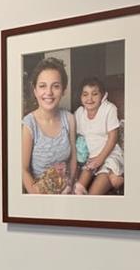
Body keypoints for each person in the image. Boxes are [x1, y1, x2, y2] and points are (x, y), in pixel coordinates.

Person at [21, 57, 77, 194]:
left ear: (63, 90)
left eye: (56, 86)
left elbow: (73, 159)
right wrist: (38, 199)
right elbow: (23, 169)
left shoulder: (69, 119)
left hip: (66, 192)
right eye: (42, 86)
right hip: (41, 195)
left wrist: (70, 188)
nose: (49, 92)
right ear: (35, 91)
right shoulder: (29, 124)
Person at [73, 77, 125, 196]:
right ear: (80, 97)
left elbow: (113, 138)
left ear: (103, 96)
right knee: (78, 188)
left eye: (95, 94)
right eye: (85, 94)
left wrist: (100, 159)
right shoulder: (80, 113)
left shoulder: (108, 109)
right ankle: (81, 191)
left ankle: (115, 176)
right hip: (91, 158)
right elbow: (77, 137)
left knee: (93, 194)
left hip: (108, 154)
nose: (89, 98)